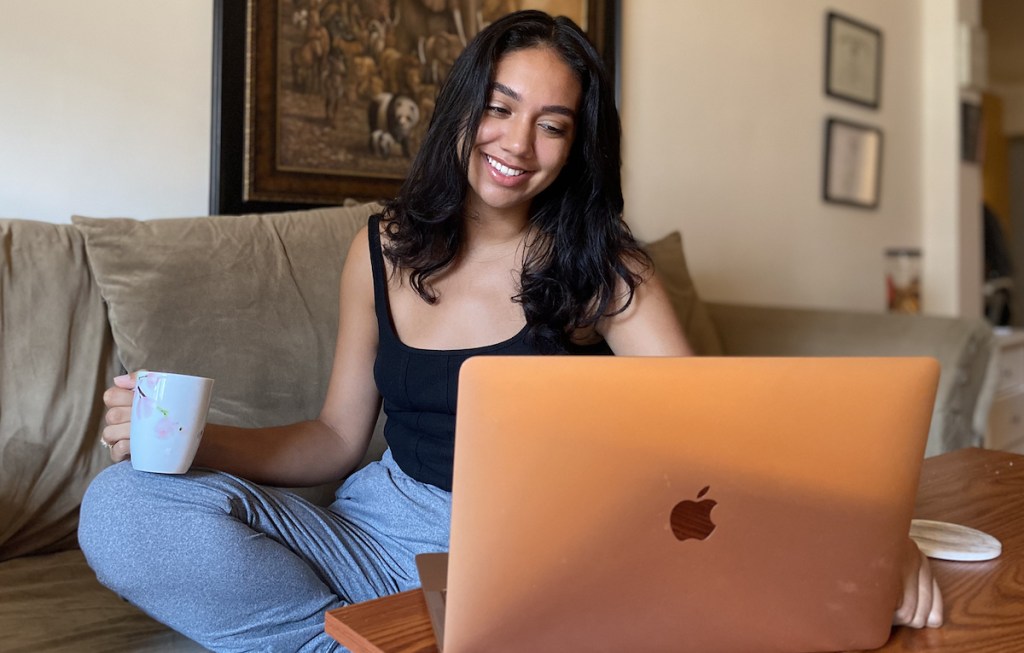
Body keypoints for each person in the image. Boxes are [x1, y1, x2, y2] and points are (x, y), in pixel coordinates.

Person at [78, 10, 942, 652]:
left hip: (528, 554)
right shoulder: (378, 247)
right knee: (122, 508)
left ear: (576, 146)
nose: (518, 143)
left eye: (553, 124)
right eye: (500, 106)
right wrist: (199, 446)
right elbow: (336, 439)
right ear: (462, 108)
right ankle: (344, 638)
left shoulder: (606, 271)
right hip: (372, 528)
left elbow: (719, 435)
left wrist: (869, 531)